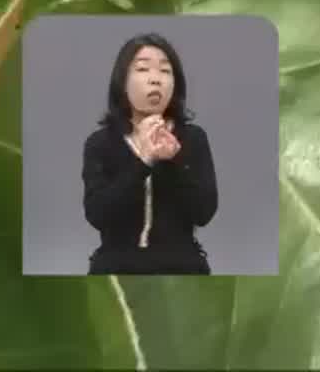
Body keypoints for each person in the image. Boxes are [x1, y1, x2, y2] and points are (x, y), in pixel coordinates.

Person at [81, 32, 218, 274]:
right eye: (143, 69)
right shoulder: (100, 143)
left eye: (165, 71)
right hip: (116, 268)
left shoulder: (193, 138)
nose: (155, 79)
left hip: (182, 268)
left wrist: (174, 162)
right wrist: (143, 161)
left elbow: (204, 212)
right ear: (122, 81)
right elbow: (97, 214)